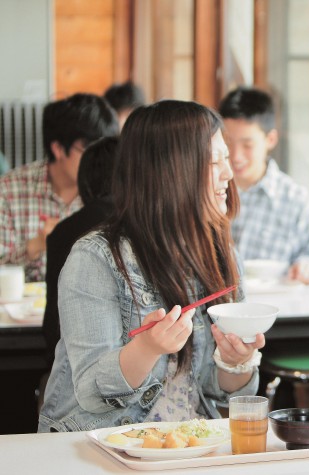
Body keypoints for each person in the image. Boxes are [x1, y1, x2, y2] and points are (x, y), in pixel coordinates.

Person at [38, 100, 264, 432]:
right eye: (214, 161)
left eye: (226, 158)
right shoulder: (95, 259)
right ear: (170, 170)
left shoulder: (219, 251)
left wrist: (235, 362)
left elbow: (219, 392)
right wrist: (147, 348)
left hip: (187, 444)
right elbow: (91, 393)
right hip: (98, 448)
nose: (229, 174)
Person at [0, 93, 119, 282]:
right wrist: (35, 245)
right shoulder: (9, 190)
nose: (100, 161)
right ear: (58, 148)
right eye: (90, 151)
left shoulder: (113, 192)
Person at [218, 86, 309, 284]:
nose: (235, 155)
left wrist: (307, 267)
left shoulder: (296, 200)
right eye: (227, 143)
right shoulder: (207, 193)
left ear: (271, 139)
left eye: (247, 145)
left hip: (277, 308)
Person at [43, 136, 120, 366]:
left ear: (85, 183)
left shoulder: (63, 232)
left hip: (75, 371)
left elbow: (52, 327)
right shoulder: (149, 224)